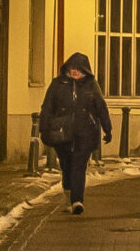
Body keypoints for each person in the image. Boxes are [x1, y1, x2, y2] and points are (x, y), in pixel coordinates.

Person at [38, 52, 111, 215]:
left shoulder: (91, 85)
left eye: (78, 68)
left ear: (85, 70)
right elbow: (47, 107)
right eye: (72, 68)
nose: (75, 71)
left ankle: (77, 201)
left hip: (85, 131)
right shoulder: (58, 84)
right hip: (62, 133)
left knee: (79, 165)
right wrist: (44, 129)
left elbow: (101, 107)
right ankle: (68, 197)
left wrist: (108, 128)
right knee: (67, 165)